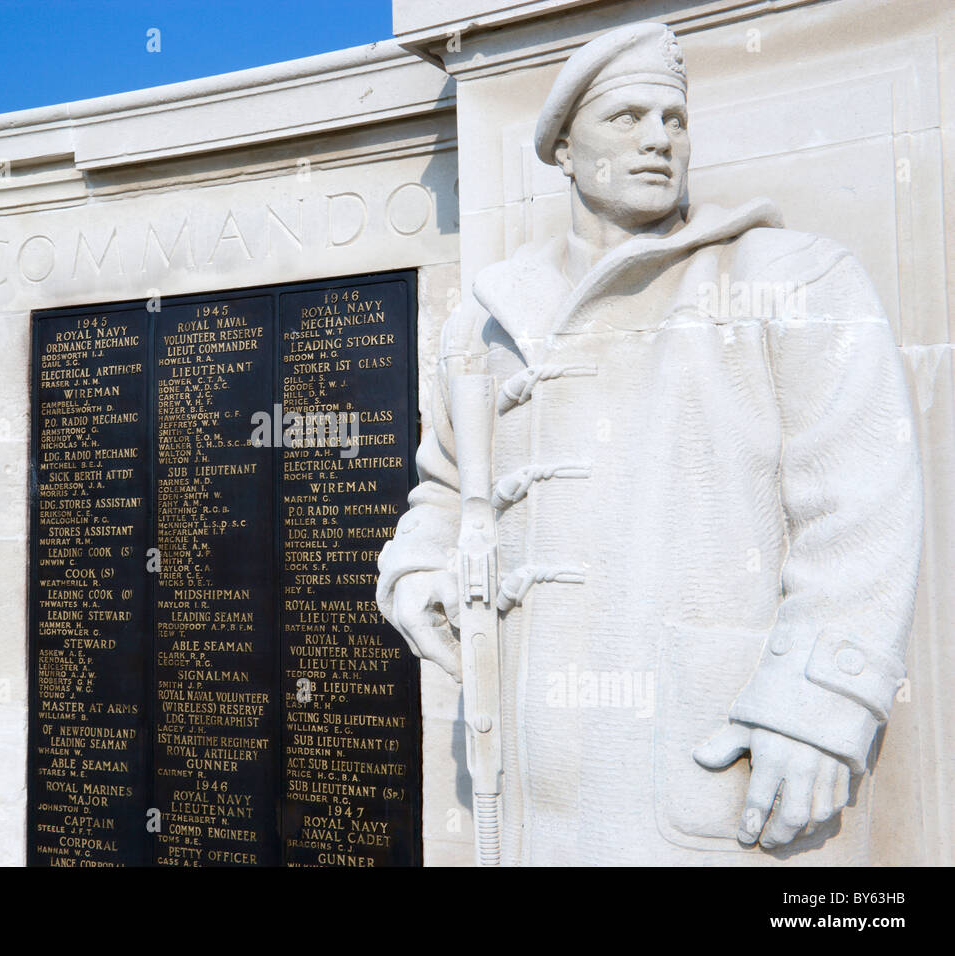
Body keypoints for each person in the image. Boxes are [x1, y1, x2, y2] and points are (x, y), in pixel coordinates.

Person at [376, 21, 923, 864]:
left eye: (674, 120)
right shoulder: (483, 325)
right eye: (627, 117)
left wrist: (821, 702)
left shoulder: (787, 278)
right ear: (563, 148)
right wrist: (418, 565)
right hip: (525, 784)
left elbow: (861, 507)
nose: (658, 140)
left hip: (702, 766)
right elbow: (445, 487)